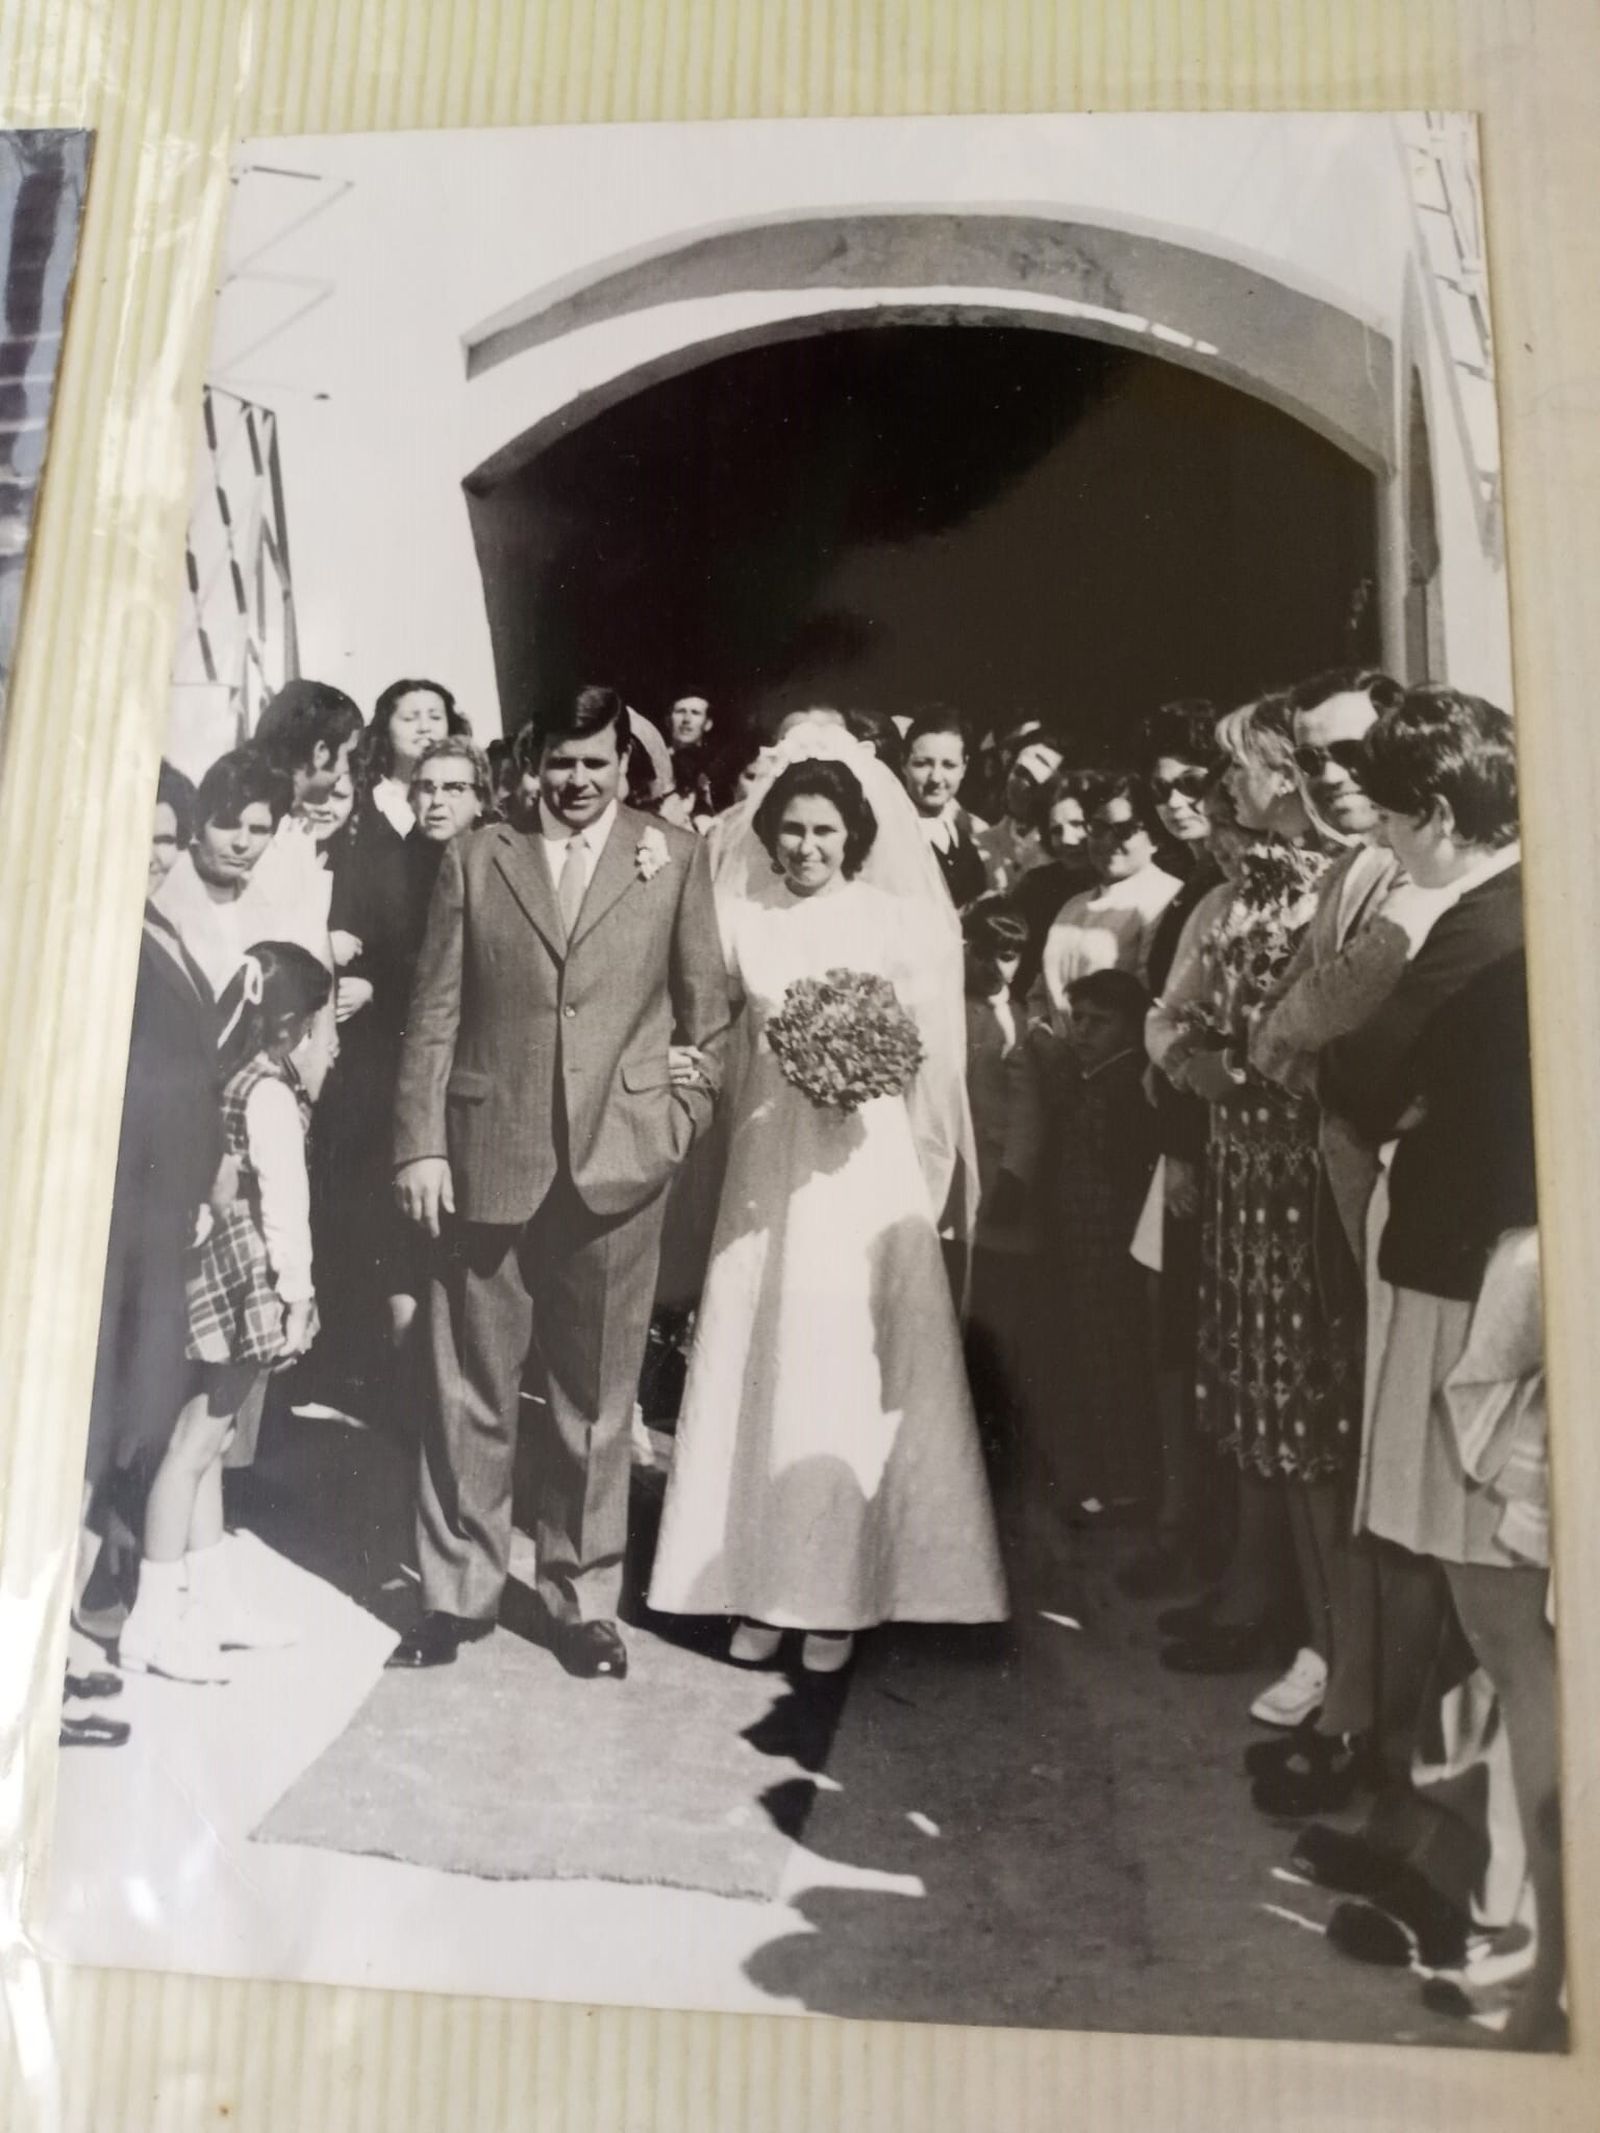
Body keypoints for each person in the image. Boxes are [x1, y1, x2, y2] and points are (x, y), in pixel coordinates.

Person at [388, 684, 731, 1679]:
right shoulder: (475, 856)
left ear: (622, 765)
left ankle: (580, 1602)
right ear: (528, 764)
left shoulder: (669, 858)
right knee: (471, 1391)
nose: (578, 782)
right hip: (486, 1155)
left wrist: (674, 1118)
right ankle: (456, 1594)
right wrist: (421, 1143)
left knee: (593, 1402)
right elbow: (435, 1008)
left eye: (596, 763)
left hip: (619, 1165)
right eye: (561, 763)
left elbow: (706, 1010)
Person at [647, 726, 1007, 1673]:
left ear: (856, 833)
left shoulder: (897, 924)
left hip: (860, 1170)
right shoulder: (743, 920)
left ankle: (843, 1594)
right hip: (768, 1166)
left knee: (844, 1364)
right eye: (792, 831)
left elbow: (930, 1061)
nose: (806, 848)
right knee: (766, 1361)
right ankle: (756, 1580)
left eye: (824, 831)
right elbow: (710, 1033)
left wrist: (877, 1091)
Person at [1322, 688, 1559, 2048]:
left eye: (1399, 814)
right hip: (1459, 1270)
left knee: (1492, 1610)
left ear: (1438, 814)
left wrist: (1378, 1092)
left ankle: (1487, 1900)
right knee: (1476, 1604)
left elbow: (1361, 1073)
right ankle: (1459, 1871)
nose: (1387, 837)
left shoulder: (1484, 923)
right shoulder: (1482, 913)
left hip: (1481, 1295)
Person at [1150, 698, 1361, 1690]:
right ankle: (1253, 1596)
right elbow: (1171, 1010)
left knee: (1303, 1399)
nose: (1222, 786)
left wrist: (1252, 1065)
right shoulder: (1232, 893)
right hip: (1239, 1166)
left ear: (1283, 773)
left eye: (1238, 768)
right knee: (1246, 1382)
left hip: (1308, 1175)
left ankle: (1324, 1643)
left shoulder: (1339, 888)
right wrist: (1187, 1060)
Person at [117, 941, 333, 1681]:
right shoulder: (270, 1092)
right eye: (321, 1028)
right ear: (291, 1030)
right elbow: (287, 1208)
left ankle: (209, 1602)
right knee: (193, 1445)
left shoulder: (227, 1077)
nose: (324, 1044)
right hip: (251, 1277)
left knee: (207, 1443)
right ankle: (151, 1617)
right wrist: (297, 1296)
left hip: (212, 1268)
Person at [77, 766, 227, 1653]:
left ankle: (108, 1570)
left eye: (169, 838)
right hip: (123, 1203)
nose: (158, 855)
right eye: (143, 837)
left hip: (165, 1203)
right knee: (111, 1396)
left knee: (143, 1390)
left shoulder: (157, 922)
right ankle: (77, 1587)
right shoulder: (93, 932)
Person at [313, 736, 492, 1410]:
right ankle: (398, 1377)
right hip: (387, 1069)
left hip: (466, 1067)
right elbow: (355, 945)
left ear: (481, 797)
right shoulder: (381, 862)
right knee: (387, 1223)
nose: (438, 800)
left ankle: (444, 1381)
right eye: (427, 787)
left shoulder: (496, 862)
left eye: (455, 788)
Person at [1033, 967, 1160, 1523]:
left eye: (1099, 1022)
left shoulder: (1128, 1085)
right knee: (1095, 1361)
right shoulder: (1091, 1078)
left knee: (1117, 1364)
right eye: (1077, 1019)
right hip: (1083, 1250)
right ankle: (1110, 1482)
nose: (1082, 1031)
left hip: (1113, 1252)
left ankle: (1129, 1491)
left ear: (1133, 1029)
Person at [961, 896, 1043, 1464]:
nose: (996, 967)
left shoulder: (1020, 1023)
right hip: (955, 1185)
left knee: (998, 1319)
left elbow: (1028, 1109)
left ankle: (1000, 1439)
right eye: (985, 953)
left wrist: (1015, 1176)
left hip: (998, 1190)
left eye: (1009, 956)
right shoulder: (948, 1009)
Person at [1038, 774, 1182, 1016]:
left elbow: (1151, 1001)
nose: (1108, 841)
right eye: (1098, 828)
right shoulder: (1074, 905)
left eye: (1124, 830)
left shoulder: (1167, 898)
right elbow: (1040, 992)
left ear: (1155, 838)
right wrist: (1040, 1030)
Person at [153, 746, 293, 994]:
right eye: (227, 825)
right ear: (199, 822)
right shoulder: (159, 891)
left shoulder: (267, 903)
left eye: (259, 830)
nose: (242, 843)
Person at [1012, 771, 1100, 997]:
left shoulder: (1123, 884)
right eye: (1056, 831)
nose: (1068, 840)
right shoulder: (1037, 886)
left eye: (1078, 825)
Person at [901, 704, 989, 909]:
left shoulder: (970, 830)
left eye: (949, 765)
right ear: (903, 762)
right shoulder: (891, 832)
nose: (936, 778)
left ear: (964, 767)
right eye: (922, 763)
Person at [976, 739, 1063, 894]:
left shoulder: (1061, 848)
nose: (1022, 784)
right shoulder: (981, 841)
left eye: (1034, 782)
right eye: (1020, 773)